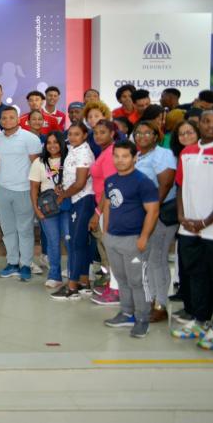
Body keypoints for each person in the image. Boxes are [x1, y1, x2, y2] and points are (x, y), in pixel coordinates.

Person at [172, 110, 213, 350]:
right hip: (189, 227)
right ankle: (201, 320)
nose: (212, 126)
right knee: (195, 275)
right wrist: (181, 216)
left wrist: (207, 221)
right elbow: (180, 186)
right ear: (199, 123)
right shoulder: (187, 152)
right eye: (207, 121)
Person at [101, 140, 160, 337]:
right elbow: (108, 205)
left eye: (125, 156)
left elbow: (152, 211)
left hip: (134, 240)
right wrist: (106, 232)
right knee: (121, 278)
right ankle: (127, 313)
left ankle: (142, 318)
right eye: (116, 156)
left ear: (135, 157)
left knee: (138, 281)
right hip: (113, 239)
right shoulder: (111, 180)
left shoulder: (143, 182)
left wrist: (143, 237)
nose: (120, 160)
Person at [132, 120, 178, 322]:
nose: (142, 137)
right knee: (148, 260)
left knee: (157, 259)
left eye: (147, 133)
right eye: (138, 133)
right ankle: (152, 301)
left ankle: (161, 305)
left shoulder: (163, 154)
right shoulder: (139, 155)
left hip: (160, 215)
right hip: (144, 214)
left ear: (156, 135)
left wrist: (152, 211)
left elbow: (166, 184)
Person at [0, 106, 43, 281]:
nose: (7, 120)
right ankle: (12, 263)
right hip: (3, 191)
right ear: (0, 121)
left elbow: (37, 167)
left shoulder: (30, 139)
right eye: (4, 118)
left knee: (25, 230)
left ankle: (26, 264)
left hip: (24, 190)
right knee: (8, 230)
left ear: (18, 119)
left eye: (11, 117)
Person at [51, 123, 96, 299]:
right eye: (70, 134)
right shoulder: (73, 149)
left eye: (77, 134)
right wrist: (61, 187)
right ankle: (84, 282)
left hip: (83, 199)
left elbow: (80, 183)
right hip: (75, 198)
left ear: (85, 135)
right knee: (80, 242)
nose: (72, 137)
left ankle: (72, 286)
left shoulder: (84, 152)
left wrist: (63, 196)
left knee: (77, 243)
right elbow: (70, 177)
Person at [30, 132, 70, 289]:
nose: (52, 145)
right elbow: (33, 188)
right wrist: (36, 210)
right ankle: (55, 275)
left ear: (61, 143)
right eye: (49, 142)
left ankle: (74, 273)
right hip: (47, 208)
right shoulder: (39, 162)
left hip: (67, 205)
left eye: (56, 142)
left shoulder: (69, 160)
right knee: (53, 242)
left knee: (69, 240)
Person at [88, 120, 122, 305]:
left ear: (112, 133)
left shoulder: (110, 154)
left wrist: (98, 213)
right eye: (96, 133)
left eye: (102, 132)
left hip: (108, 208)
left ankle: (117, 291)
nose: (98, 136)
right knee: (106, 250)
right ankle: (111, 285)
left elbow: (110, 186)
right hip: (104, 205)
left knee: (111, 250)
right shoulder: (105, 152)